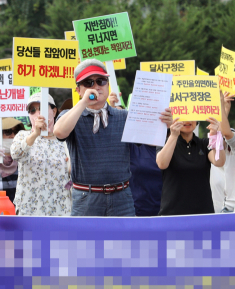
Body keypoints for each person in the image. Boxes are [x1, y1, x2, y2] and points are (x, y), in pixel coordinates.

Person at [54, 59, 173, 216]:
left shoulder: (124, 116)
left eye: (101, 81)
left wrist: (167, 124)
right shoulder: (70, 116)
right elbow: (59, 132)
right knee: (85, 241)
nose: (96, 86)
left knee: (125, 241)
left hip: (121, 197)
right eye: (88, 82)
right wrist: (84, 102)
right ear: (78, 89)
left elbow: (152, 137)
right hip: (86, 198)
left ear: (108, 84)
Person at [9, 93, 71, 216]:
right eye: (32, 111)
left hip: (60, 209)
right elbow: (15, 154)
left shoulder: (66, 139)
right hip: (30, 210)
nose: (38, 114)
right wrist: (35, 133)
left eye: (42, 108)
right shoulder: (23, 136)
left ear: (54, 111)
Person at [156, 118, 226, 215]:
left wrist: (216, 136)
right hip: (173, 212)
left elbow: (219, 162)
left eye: (191, 117)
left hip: (203, 212)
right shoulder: (165, 142)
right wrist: (173, 136)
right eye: (183, 117)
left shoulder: (204, 144)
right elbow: (162, 164)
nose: (187, 121)